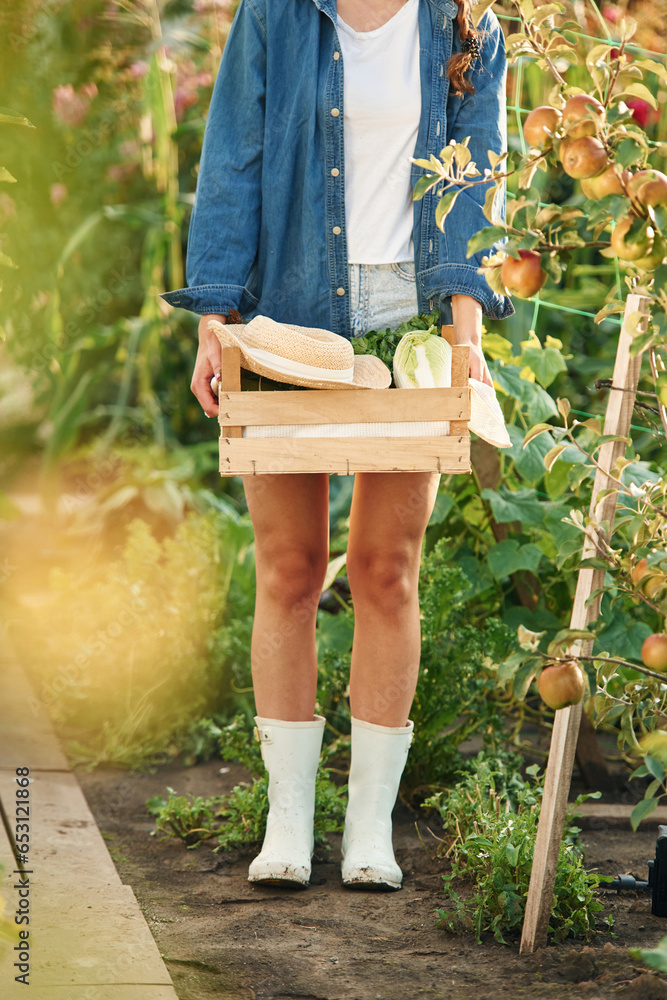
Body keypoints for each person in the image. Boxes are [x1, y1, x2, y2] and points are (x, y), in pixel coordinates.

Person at [161, 0, 514, 891]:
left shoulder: (466, 24)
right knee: (288, 566)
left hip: (410, 324)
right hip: (287, 315)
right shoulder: (275, 14)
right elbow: (232, 154)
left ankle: (367, 831)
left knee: (384, 571)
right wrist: (215, 319)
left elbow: (474, 183)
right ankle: (287, 824)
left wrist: (465, 340)